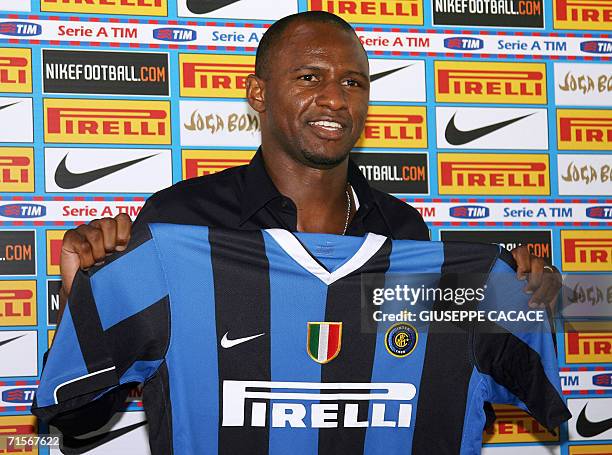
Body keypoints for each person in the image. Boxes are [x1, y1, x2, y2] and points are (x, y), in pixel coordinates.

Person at [58, 11, 560, 321]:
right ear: (258, 92)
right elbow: (81, 415)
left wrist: (517, 302)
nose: (335, 100)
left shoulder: (403, 230)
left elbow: (432, 387)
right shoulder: (181, 218)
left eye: (353, 83)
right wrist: (83, 291)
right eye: (308, 77)